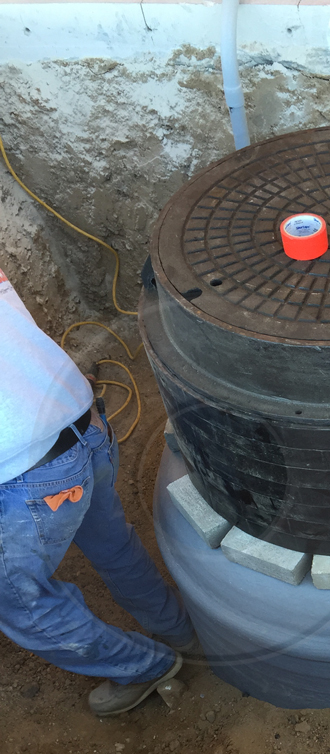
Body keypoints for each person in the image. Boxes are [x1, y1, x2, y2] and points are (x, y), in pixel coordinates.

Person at [0, 267, 197, 716]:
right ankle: (178, 628)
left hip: (25, 470)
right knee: (111, 541)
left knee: (22, 605)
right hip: (83, 423)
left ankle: (144, 668)